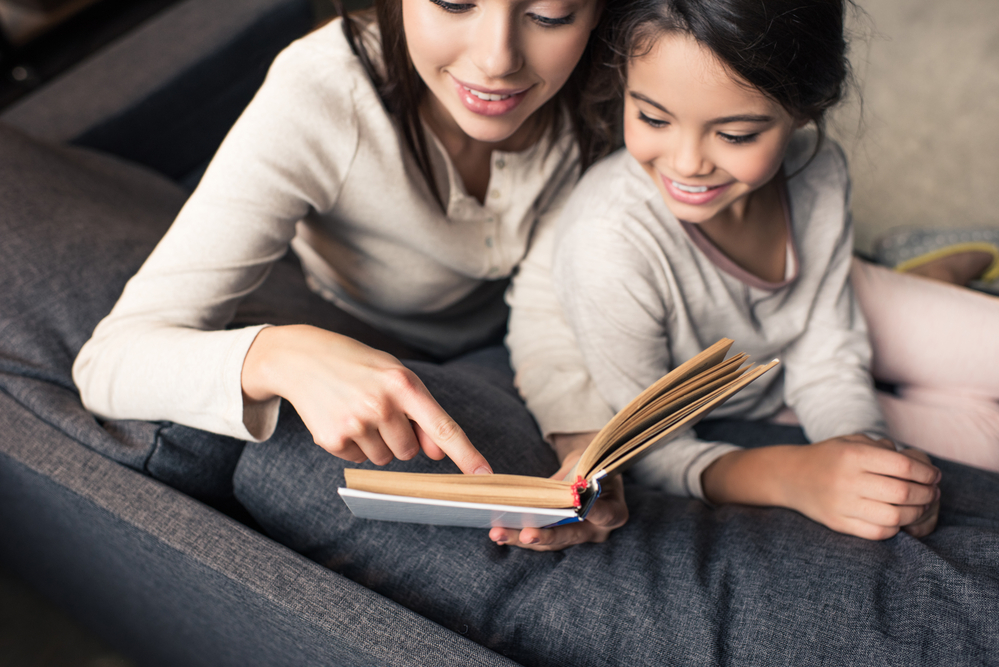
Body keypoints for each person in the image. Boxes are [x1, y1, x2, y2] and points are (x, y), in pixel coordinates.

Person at [71, 0, 626, 549]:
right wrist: (277, 357)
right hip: (353, 314)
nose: (497, 59)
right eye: (455, 3)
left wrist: (584, 449)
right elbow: (107, 363)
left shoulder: (618, 88)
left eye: (551, 15)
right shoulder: (321, 92)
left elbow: (545, 296)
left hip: (502, 344)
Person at [518, 0, 998, 543]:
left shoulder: (819, 171)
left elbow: (827, 349)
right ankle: (929, 278)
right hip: (768, 386)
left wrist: (857, 443)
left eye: (737, 134)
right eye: (653, 117)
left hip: (842, 306)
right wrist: (801, 476)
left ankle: (922, 275)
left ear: (806, 109)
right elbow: (653, 450)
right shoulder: (609, 244)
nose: (687, 162)